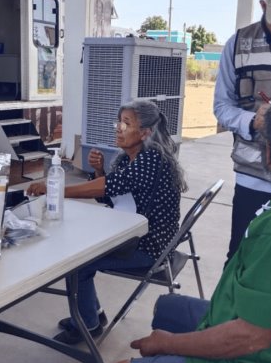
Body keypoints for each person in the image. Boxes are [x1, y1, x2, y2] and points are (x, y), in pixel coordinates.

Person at [117, 95, 271, 363]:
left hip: (251, 351)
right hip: (233, 314)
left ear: (267, 152)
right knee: (166, 307)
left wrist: (169, 343)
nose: (119, 128)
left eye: (125, 123)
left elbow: (251, 337)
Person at [27, 100, 188, 344]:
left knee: (77, 262)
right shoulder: (128, 159)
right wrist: (100, 170)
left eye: (126, 124)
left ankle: (87, 326)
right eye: (119, 122)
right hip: (131, 235)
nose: (118, 128)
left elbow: (109, 187)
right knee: (77, 247)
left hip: (149, 247)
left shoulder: (152, 159)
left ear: (145, 132)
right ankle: (93, 314)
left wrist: (56, 190)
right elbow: (112, 195)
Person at [213, 0, 271, 263]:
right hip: (252, 179)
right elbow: (221, 106)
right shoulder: (238, 45)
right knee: (241, 259)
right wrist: (251, 121)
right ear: (263, 6)